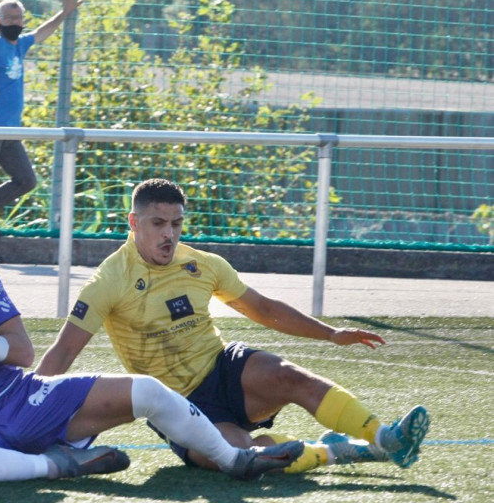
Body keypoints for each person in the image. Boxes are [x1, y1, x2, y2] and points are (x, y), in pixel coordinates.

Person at [0, 165, 304, 483]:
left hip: (22, 397)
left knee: (149, 392)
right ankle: (54, 464)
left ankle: (234, 459)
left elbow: (22, 353)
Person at [36, 178, 431, 474]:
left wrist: (330, 333)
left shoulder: (203, 265)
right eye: (158, 223)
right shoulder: (109, 280)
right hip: (176, 404)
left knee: (292, 376)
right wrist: (21, 406)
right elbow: (66, 350)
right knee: (245, 454)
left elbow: (263, 308)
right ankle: (339, 451)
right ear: (133, 222)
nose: (169, 234)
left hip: (225, 368)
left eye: (176, 223)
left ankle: (386, 437)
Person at [0, 0, 83, 263]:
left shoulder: (19, 45)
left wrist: (65, 12)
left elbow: (42, 32)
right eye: (8, 18)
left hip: (9, 130)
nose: (14, 23)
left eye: (18, 18)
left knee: (26, 179)